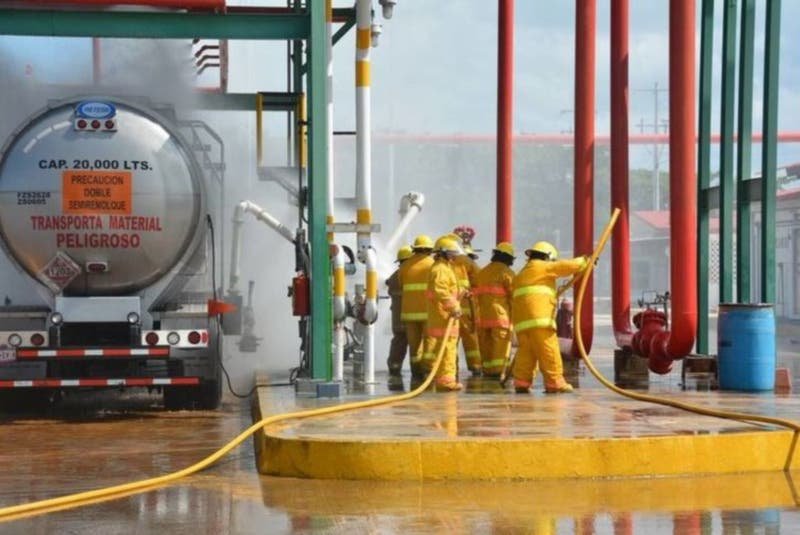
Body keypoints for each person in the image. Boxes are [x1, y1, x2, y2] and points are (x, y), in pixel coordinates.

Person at [511, 241, 589, 394]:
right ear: (547, 256)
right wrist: (585, 261)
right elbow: (565, 266)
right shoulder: (542, 267)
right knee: (549, 350)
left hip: (522, 324)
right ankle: (555, 382)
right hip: (539, 321)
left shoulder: (521, 273)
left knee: (526, 353)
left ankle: (521, 382)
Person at [420, 236, 463, 391]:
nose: (454, 256)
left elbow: (447, 289)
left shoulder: (444, 268)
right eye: (451, 253)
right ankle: (446, 382)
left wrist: (461, 293)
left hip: (444, 315)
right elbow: (441, 290)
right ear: (442, 253)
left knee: (445, 348)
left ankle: (443, 379)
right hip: (443, 316)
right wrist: (454, 306)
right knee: (447, 349)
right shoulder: (440, 269)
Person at [474, 242, 515, 378]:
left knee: (486, 345)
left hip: (483, 317)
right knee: (500, 346)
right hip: (500, 318)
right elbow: (514, 296)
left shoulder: (482, 272)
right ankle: (499, 370)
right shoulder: (507, 273)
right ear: (507, 257)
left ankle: (488, 370)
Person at [399, 234, 435, 378]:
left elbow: (401, 284)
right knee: (429, 342)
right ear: (429, 249)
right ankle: (428, 371)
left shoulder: (405, 265)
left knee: (414, 345)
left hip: (409, 313)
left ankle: (416, 371)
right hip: (428, 311)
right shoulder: (433, 264)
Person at [386, 245, 414, 376]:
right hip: (413, 316)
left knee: (398, 342)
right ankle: (418, 371)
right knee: (416, 343)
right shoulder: (413, 274)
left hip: (398, 318)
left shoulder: (394, 276)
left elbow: (390, 285)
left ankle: (394, 367)